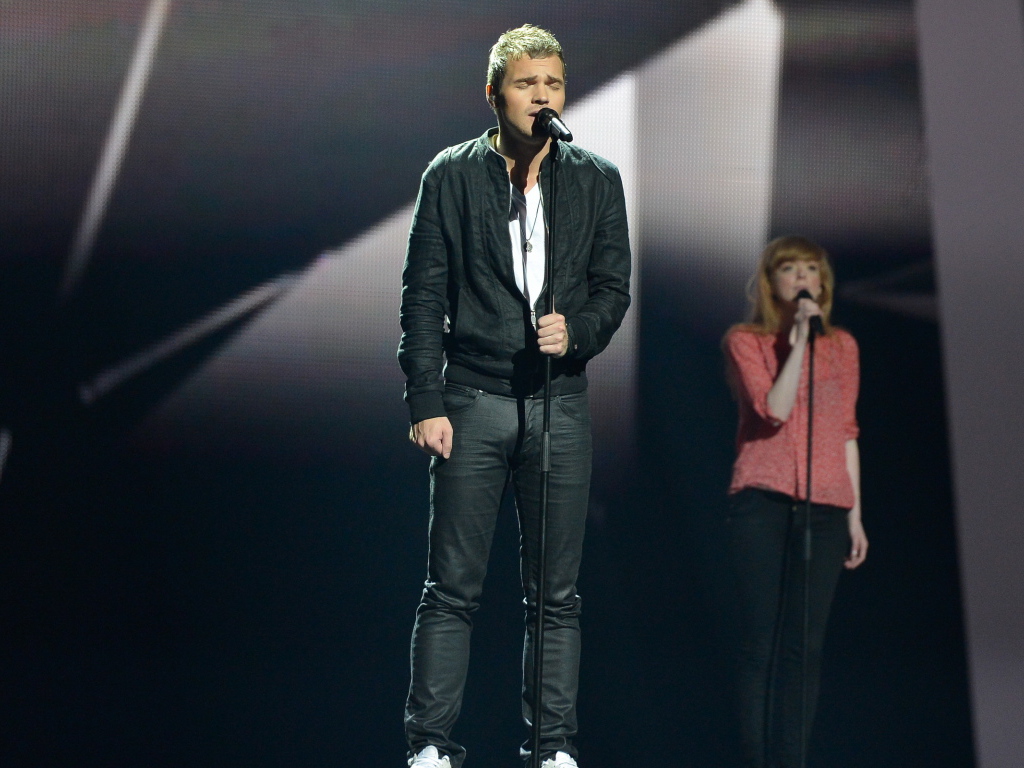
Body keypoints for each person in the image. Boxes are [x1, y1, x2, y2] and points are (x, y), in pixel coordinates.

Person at [397, 24, 632, 768]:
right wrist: (426, 401)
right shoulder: (451, 176)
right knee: (452, 588)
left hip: (559, 404)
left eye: (553, 84)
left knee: (556, 595)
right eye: (527, 84)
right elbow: (422, 295)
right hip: (471, 399)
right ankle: (431, 746)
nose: (542, 96)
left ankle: (552, 748)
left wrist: (579, 330)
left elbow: (613, 289)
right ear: (494, 95)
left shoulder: (594, 179)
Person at [722, 236, 868, 768]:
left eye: (812, 269)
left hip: (826, 506)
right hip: (762, 500)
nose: (803, 277)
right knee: (761, 642)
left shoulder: (844, 346)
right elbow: (774, 410)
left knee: (805, 647)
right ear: (772, 282)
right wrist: (800, 340)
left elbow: (846, 430)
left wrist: (855, 515)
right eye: (791, 269)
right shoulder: (746, 341)